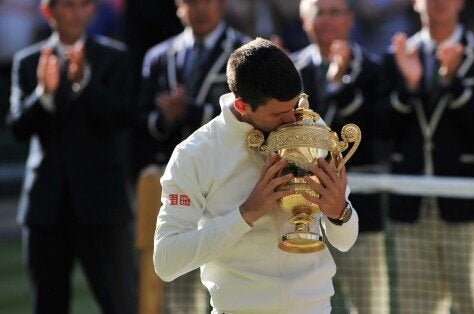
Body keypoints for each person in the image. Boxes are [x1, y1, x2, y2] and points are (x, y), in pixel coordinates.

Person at [153, 37, 359, 314]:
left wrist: (340, 213)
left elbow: (345, 241)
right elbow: (166, 261)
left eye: (295, 107)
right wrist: (245, 214)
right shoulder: (195, 153)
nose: (293, 121)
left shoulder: (312, 126)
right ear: (242, 107)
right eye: (279, 114)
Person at [380, 0, 474, 313]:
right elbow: (381, 129)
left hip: (469, 209)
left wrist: (454, 86)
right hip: (411, 208)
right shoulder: (392, 59)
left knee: (473, 306)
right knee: (416, 307)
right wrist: (409, 87)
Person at [6, 0, 136, 313]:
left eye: (83, 5)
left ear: (92, 10)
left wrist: (85, 83)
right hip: (45, 208)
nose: (77, 13)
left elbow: (121, 117)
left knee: (121, 304)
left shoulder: (115, 57)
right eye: (68, 5)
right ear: (48, 12)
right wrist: (44, 94)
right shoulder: (27, 61)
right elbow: (18, 128)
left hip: (103, 206)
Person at [292, 0, 389, 313]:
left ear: (350, 19)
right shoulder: (288, 72)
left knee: (368, 304)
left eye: (336, 12)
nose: (328, 21)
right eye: (320, 12)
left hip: (361, 210)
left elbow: (377, 128)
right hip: (299, 210)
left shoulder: (374, 70)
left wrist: (338, 83)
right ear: (304, 20)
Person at [133, 0, 250, 177]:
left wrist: (192, 111)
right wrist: (165, 119)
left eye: (208, 1)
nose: (201, 9)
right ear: (179, 6)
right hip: (173, 173)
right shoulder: (158, 57)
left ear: (221, 4)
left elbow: (250, 116)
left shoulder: (246, 52)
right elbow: (140, 118)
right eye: (192, 2)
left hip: (226, 173)